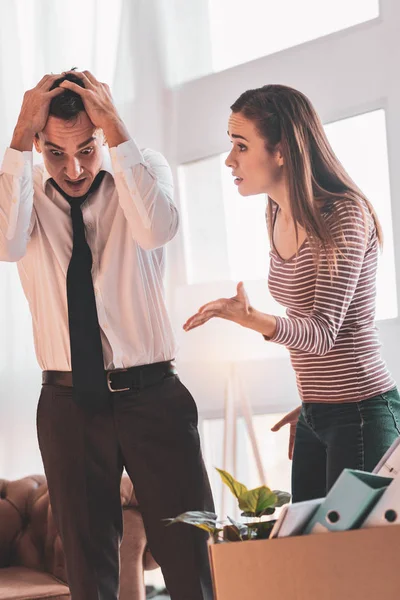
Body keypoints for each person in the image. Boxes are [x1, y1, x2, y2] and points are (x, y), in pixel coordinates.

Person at [0, 70, 214, 600]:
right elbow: (5, 243)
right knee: (88, 566)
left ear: (104, 133)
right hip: (69, 403)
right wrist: (19, 137)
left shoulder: (143, 171)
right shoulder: (23, 194)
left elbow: (156, 229)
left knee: (192, 554)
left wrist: (116, 129)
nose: (72, 168)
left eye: (87, 148)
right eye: (54, 153)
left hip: (154, 397)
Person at [183, 83, 400, 503]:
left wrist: (251, 319)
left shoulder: (345, 214)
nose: (230, 160)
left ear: (281, 150)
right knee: (309, 556)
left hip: (361, 413)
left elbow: (321, 333)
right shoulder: (276, 210)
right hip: (318, 412)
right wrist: (315, 407)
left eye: (241, 146)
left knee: (350, 561)